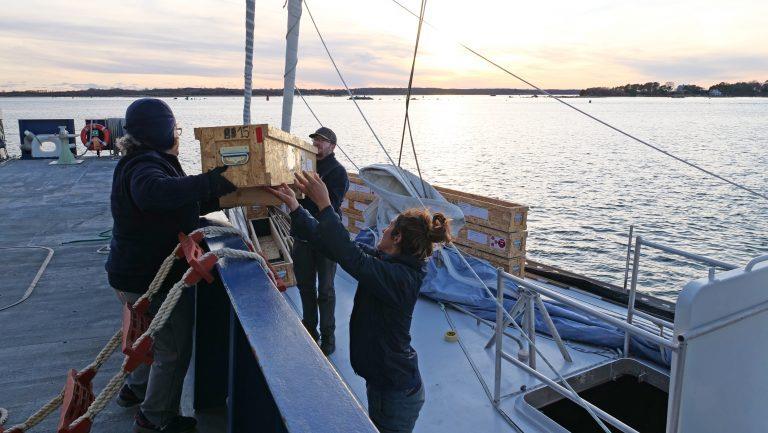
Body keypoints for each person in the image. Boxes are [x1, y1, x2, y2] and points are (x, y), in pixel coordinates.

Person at [267, 171, 450, 433]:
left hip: (397, 394)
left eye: (388, 227)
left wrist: (325, 205)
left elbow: (353, 258)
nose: (383, 228)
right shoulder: (388, 263)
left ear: (397, 238)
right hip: (384, 382)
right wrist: (296, 209)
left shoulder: (401, 278)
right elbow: (334, 245)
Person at [106, 98, 237, 433]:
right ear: (163, 130)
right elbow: (154, 193)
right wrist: (210, 181)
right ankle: (155, 418)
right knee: (173, 349)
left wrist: (229, 191)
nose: (176, 134)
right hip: (151, 278)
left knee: (146, 336)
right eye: (174, 127)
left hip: (130, 274)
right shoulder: (146, 167)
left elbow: (179, 197)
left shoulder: (142, 161)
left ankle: (134, 390)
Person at [292, 126, 349, 355]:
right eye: (315, 139)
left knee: (325, 291)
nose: (316, 143)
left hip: (326, 240)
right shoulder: (302, 167)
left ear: (332, 146)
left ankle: (328, 338)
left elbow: (331, 207)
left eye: (322, 140)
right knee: (305, 287)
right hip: (302, 238)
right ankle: (309, 332)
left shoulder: (338, 172)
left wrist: (310, 192)